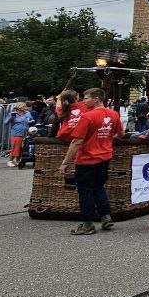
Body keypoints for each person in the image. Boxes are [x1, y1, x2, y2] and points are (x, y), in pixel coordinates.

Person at [58, 88, 124, 235]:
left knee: (85, 191)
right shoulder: (113, 114)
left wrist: (65, 162)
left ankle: (87, 224)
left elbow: (76, 141)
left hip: (87, 159)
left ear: (96, 99)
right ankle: (106, 216)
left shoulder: (88, 116)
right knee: (98, 187)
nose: (83, 101)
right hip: (105, 156)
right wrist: (105, 140)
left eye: (86, 98)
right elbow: (121, 133)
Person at [4, 102, 35, 168]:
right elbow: (5, 122)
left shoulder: (27, 113)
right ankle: (10, 161)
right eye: (23, 106)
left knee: (22, 148)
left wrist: (31, 121)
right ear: (19, 107)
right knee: (16, 147)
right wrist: (11, 118)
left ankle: (18, 160)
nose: (25, 107)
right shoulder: (13, 114)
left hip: (25, 133)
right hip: (16, 133)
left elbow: (32, 120)